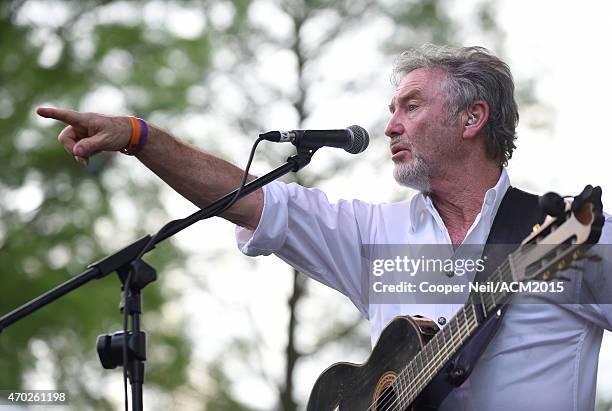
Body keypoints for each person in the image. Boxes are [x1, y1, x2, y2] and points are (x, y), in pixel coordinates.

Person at [38, 45, 611, 410]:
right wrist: (141, 138)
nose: (389, 125)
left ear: (472, 117)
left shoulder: (570, 235)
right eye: (392, 109)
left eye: (410, 106)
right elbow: (249, 201)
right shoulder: (379, 239)